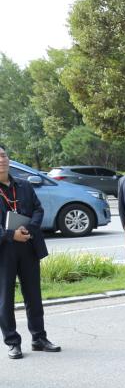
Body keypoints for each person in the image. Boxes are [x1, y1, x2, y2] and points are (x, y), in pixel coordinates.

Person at [0, 145, 59, 359]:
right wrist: (9, 234)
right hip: (4, 250)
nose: (2, 159)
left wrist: (29, 229)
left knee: (34, 296)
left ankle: (39, 338)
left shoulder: (23, 185)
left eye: (4, 155)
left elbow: (38, 209)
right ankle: (12, 342)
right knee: (5, 298)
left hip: (28, 245)